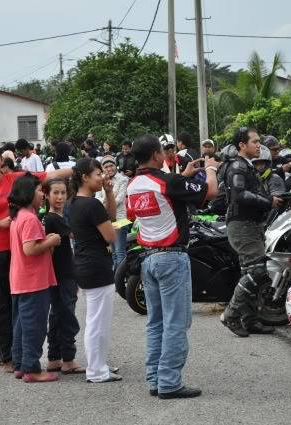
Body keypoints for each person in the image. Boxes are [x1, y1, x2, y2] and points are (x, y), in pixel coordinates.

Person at [0, 144, 72, 373]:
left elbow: (50, 176)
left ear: (1, 160)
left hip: (17, 250)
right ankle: (5, 357)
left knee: (18, 307)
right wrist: (0, 223)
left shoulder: (14, 179)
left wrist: (81, 168)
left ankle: (19, 356)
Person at [127, 135, 219, 399]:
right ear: (157, 154)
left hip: (148, 258)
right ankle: (170, 381)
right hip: (172, 258)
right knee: (177, 323)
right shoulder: (168, 182)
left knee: (156, 323)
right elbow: (209, 191)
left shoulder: (134, 184)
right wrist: (210, 169)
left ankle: (156, 379)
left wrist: (183, 175)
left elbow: (161, 199)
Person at [220, 127, 283, 337]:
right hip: (242, 223)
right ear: (242, 145)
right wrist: (269, 201)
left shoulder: (246, 165)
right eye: (255, 141)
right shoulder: (238, 165)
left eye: (259, 141)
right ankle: (231, 314)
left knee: (250, 272)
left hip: (249, 223)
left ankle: (250, 319)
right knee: (256, 270)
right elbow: (239, 194)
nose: (259, 145)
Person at [69, 158, 121, 383]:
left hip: (84, 263)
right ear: (84, 178)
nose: (103, 178)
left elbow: (109, 217)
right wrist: (114, 228)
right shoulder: (90, 204)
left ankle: (99, 364)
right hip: (97, 265)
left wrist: (109, 193)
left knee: (96, 319)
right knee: (97, 321)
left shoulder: (74, 203)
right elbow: (110, 235)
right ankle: (97, 370)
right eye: (98, 174)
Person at [7, 173, 61, 383]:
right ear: (29, 193)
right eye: (40, 191)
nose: (43, 195)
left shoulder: (19, 216)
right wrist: (52, 240)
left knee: (21, 324)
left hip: (21, 280)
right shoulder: (29, 218)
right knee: (34, 326)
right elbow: (30, 249)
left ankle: (20, 364)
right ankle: (31, 369)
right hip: (33, 281)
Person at [43, 178, 85, 375]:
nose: (60, 197)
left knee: (57, 315)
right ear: (46, 195)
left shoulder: (58, 217)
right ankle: (68, 359)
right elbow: (77, 235)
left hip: (60, 273)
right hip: (63, 274)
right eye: (55, 193)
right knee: (66, 315)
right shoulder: (54, 219)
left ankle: (54, 358)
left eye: (62, 193)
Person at [95, 156, 128, 269]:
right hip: (107, 219)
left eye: (111, 166)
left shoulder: (123, 179)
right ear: (103, 169)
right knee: (113, 253)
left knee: (119, 251)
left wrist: (106, 201)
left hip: (120, 218)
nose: (109, 169)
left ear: (115, 166)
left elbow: (119, 199)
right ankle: (116, 280)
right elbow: (97, 197)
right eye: (106, 167)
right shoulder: (101, 180)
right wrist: (107, 200)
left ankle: (120, 279)